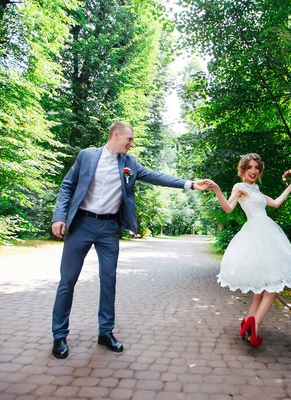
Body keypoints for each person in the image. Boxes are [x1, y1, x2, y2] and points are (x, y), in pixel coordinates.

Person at [50, 121, 209, 358]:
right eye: (130, 139)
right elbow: (67, 186)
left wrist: (191, 184)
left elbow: (157, 176)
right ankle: (59, 336)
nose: (131, 144)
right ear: (116, 135)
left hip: (108, 229)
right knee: (67, 281)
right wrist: (59, 216)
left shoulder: (129, 164)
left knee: (109, 280)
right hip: (81, 224)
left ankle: (106, 332)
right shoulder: (86, 156)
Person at [207, 153, 291, 347]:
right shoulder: (239, 188)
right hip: (256, 233)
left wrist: (290, 188)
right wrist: (218, 190)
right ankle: (255, 324)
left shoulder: (256, 189)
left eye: (257, 167)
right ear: (243, 170)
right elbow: (228, 208)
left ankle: (247, 324)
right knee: (273, 286)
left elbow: (275, 203)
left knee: (261, 289)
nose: (253, 171)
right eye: (249, 167)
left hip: (268, 232)